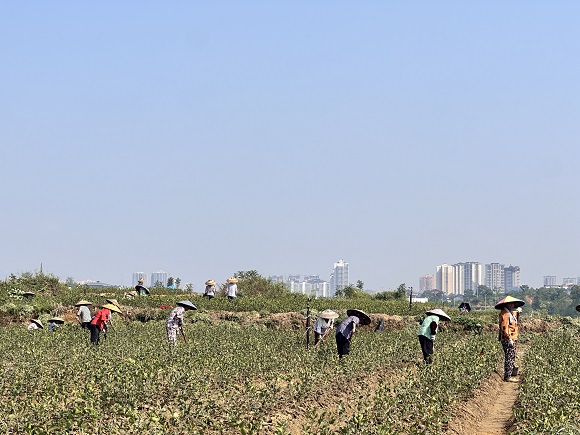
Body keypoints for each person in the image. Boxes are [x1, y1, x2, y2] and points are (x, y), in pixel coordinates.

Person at [495, 296, 525, 382]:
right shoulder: (506, 314)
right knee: (509, 357)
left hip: (512, 337)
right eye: (510, 304)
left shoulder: (509, 313)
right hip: (508, 338)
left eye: (513, 304)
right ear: (506, 304)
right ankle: (507, 376)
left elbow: (514, 319)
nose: (512, 305)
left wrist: (518, 313)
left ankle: (510, 372)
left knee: (511, 356)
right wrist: (509, 338)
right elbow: (504, 327)